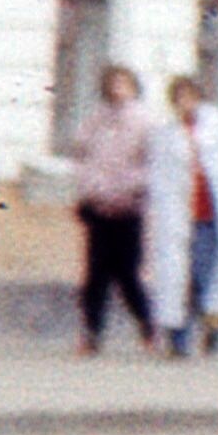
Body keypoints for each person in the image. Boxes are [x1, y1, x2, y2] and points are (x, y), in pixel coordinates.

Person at [143, 71, 218, 355]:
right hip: (179, 216)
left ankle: (212, 323)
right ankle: (179, 339)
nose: (185, 103)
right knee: (178, 278)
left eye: (189, 96)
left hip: (211, 214)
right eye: (179, 98)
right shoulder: (165, 134)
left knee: (205, 274)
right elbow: (158, 177)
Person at [67, 63, 156, 353]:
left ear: (133, 87)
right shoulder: (95, 120)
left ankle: (148, 325)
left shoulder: (145, 122)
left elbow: (151, 164)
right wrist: (92, 189)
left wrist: (129, 188)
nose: (117, 89)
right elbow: (82, 157)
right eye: (113, 83)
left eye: (123, 83)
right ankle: (91, 333)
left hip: (130, 207)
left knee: (128, 273)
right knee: (96, 273)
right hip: (99, 206)